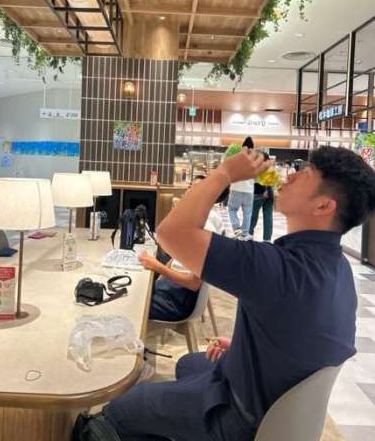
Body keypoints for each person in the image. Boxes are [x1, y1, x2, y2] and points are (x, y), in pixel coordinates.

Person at [84, 146, 375, 441]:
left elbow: (170, 233)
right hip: (276, 405)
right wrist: (246, 346)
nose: (290, 176)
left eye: (305, 174)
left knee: (118, 413)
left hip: (241, 417)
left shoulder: (275, 267)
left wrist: (225, 173)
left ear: (323, 206)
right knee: (188, 364)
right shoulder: (338, 267)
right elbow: (310, 334)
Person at [140, 175, 227, 322]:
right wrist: (161, 274)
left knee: (133, 301)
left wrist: (158, 267)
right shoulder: (200, 219)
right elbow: (178, 255)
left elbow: (193, 284)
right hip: (172, 289)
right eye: (190, 187)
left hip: (177, 301)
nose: (188, 191)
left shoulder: (205, 229)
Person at [227, 136, 255, 239]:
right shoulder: (254, 159)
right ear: (252, 148)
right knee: (247, 213)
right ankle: (244, 234)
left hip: (236, 188)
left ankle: (237, 229)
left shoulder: (236, 157)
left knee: (232, 209)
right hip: (249, 190)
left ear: (242, 146)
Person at [249, 152, 274, 241]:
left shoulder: (258, 168)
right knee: (268, 215)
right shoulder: (271, 168)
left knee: (253, 215)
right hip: (270, 193)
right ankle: (267, 239)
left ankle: (249, 234)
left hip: (259, 192)